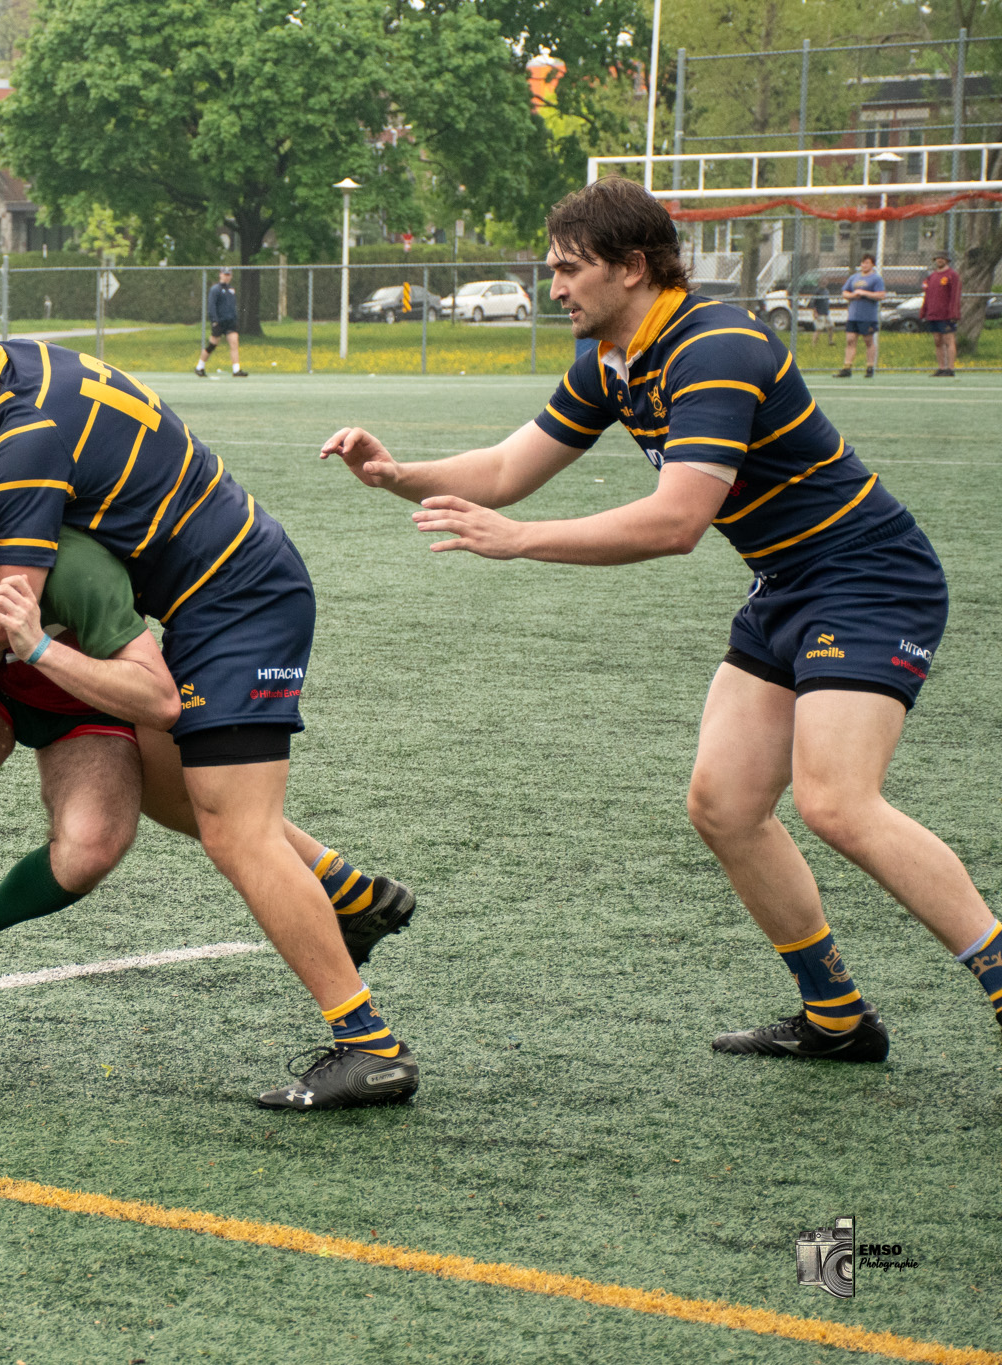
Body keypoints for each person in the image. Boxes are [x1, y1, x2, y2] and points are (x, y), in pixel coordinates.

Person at [322, 176, 1002, 1062]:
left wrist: (520, 542)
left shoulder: (713, 346)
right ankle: (836, 1015)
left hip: (869, 578)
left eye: (569, 269)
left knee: (837, 802)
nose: (555, 288)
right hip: (787, 584)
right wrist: (396, 473)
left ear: (632, 266)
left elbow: (677, 521)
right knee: (725, 806)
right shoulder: (613, 359)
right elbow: (505, 469)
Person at [0, 304, 421, 1112]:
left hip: (240, 601)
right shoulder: (20, 368)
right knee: (170, 783)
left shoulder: (23, 440)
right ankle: (349, 893)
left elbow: (7, 610)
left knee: (237, 830)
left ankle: (370, 1046)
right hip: (215, 600)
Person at [0, 479, 415, 1085]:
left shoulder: (77, 571)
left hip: (86, 702)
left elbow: (157, 699)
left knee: (94, 848)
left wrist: (34, 648)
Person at [837, 253, 886, 378]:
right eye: (863, 262)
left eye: (867, 263)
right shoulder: (854, 277)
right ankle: (847, 368)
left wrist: (864, 293)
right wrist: (853, 295)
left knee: (868, 341)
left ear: (872, 264)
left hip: (867, 316)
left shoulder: (876, 279)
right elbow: (845, 293)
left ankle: (870, 367)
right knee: (850, 340)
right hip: (853, 316)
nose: (864, 265)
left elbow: (881, 295)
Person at [196, 268, 246, 378]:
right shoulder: (215, 289)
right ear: (220, 275)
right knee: (212, 345)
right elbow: (211, 306)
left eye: (229, 275)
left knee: (234, 344)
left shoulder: (231, 289)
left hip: (230, 322)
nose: (227, 276)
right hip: (219, 322)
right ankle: (199, 367)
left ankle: (236, 370)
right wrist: (214, 321)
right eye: (225, 274)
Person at [920, 251, 960, 378]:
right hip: (933, 313)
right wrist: (924, 311)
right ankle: (941, 368)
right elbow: (927, 295)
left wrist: (953, 312)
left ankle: (950, 368)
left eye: (942, 258)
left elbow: (955, 295)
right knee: (937, 341)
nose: (939, 260)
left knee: (949, 340)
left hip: (946, 314)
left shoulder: (952, 275)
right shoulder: (932, 276)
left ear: (947, 260)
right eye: (937, 258)